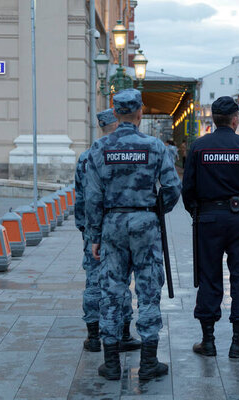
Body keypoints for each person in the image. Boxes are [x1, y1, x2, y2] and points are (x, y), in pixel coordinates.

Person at [84, 89, 181, 381]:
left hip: (112, 223)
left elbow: (91, 197)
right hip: (145, 223)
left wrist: (94, 236)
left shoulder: (99, 148)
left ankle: (112, 363)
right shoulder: (154, 146)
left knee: (112, 291)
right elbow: (173, 188)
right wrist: (155, 210)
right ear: (140, 112)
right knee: (149, 292)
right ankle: (149, 362)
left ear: (115, 113)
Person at [182, 96, 239, 358]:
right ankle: (238, 341)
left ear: (212, 120)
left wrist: (199, 211)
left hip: (208, 219)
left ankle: (207, 340)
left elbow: (187, 189)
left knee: (209, 277)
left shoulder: (198, 147)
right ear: (234, 119)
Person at [74, 108, 141, 354]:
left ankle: (93, 337)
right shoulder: (130, 150)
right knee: (121, 281)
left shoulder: (85, 156)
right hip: (122, 227)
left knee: (93, 281)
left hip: (95, 230)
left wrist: (88, 231)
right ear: (117, 122)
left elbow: (81, 198)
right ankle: (123, 333)